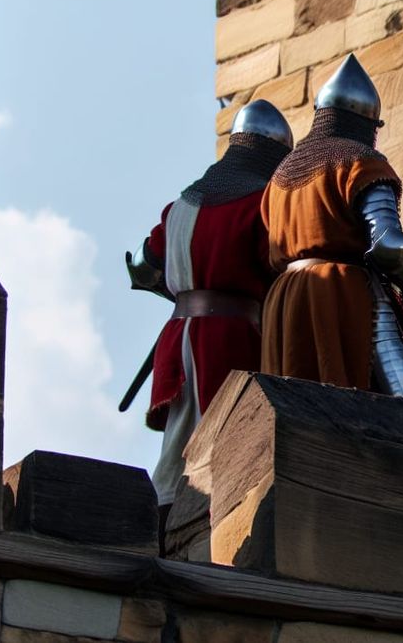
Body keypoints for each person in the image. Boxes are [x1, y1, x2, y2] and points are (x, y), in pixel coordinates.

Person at [125, 100, 293, 531]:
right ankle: (213, 538)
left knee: (175, 452)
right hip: (230, 338)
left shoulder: (179, 206)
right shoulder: (259, 203)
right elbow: (276, 271)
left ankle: (161, 535)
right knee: (225, 443)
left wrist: (185, 283)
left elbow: (146, 263)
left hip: (178, 335)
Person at [258, 54, 403, 402]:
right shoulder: (360, 161)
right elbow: (388, 246)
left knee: (299, 407)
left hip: (285, 300)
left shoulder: (280, 176)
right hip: (344, 294)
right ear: (368, 123)